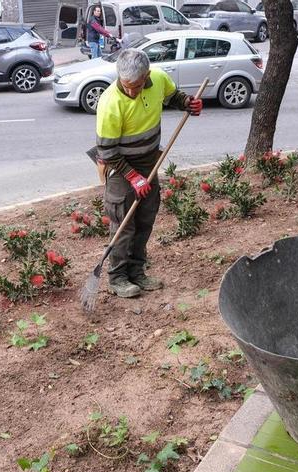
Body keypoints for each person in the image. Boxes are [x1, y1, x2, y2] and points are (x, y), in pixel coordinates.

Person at [95, 49, 202, 298]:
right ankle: (118, 277)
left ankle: (137, 271)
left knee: (145, 219)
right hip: (121, 167)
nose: (132, 91)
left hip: (149, 162)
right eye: (127, 85)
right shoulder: (110, 103)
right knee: (124, 224)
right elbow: (108, 152)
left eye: (137, 85)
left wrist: (188, 103)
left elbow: (172, 96)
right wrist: (133, 177)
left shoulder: (159, 79)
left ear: (147, 75)